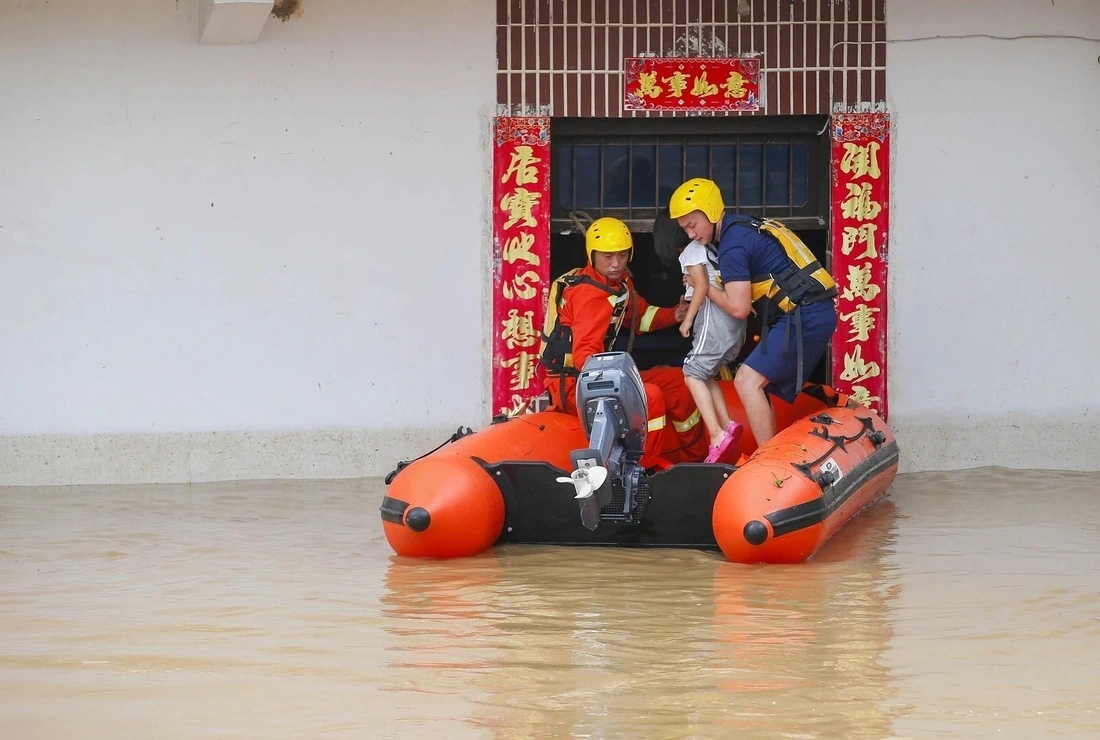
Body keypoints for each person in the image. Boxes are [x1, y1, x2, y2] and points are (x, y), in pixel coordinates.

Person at [668, 178, 838, 446]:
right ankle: (772, 450)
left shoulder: (732, 246)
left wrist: (703, 285)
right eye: (684, 228)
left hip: (805, 314)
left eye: (692, 224)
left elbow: (738, 308)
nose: (690, 234)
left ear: (712, 212)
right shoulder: (742, 227)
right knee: (757, 382)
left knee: (746, 381)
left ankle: (766, 460)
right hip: (810, 310)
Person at [538, 217, 709, 469]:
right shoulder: (589, 295)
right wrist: (623, 383)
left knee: (678, 383)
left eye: (621, 255)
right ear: (592, 255)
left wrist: (674, 314)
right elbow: (586, 357)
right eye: (607, 256)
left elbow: (639, 317)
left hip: (598, 379)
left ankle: (695, 461)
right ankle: (644, 472)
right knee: (650, 397)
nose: (616, 263)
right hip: (574, 386)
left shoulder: (618, 284)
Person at [653, 212, 746, 463]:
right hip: (734, 326)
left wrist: (688, 319)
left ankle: (716, 435)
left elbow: (702, 287)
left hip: (715, 320)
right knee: (705, 374)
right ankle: (727, 425)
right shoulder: (711, 251)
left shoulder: (691, 252)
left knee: (691, 374)